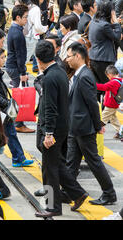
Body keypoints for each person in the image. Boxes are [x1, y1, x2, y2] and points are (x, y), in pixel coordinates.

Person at [33, 41, 89, 218]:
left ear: (38, 59)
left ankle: (52, 207)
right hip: (63, 126)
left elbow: (50, 108)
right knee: (56, 163)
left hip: (53, 129)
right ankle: (78, 193)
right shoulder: (60, 72)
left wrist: (48, 133)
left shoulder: (49, 78)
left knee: (50, 169)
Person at [65, 42, 117, 206]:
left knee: (93, 161)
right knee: (71, 162)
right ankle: (68, 191)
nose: (67, 59)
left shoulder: (85, 76)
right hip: (75, 127)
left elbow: (92, 104)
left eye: (69, 56)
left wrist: (98, 125)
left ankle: (109, 193)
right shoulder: (79, 74)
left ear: (77, 56)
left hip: (84, 127)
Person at [0, 49, 34, 167]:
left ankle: (18, 157)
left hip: (2, 107)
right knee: (10, 132)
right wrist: (6, 104)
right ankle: (18, 157)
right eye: (2, 57)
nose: (4, 60)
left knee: (10, 132)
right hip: (1, 107)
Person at [6, 4, 34, 134]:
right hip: (16, 68)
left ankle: (15, 120)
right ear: (18, 17)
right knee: (19, 96)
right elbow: (20, 55)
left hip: (12, 66)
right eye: (25, 17)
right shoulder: (18, 33)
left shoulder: (13, 29)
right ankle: (18, 122)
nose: (26, 20)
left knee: (17, 94)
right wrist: (23, 72)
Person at [88, 0, 122, 89]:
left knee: (99, 86)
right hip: (104, 59)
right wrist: (116, 23)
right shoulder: (104, 25)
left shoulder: (94, 21)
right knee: (108, 86)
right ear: (110, 11)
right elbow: (117, 37)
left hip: (94, 57)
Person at [96, 65, 123, 138]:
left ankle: (95, 132)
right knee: (113, 119)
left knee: (103, 118)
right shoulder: (119, 80)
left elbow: (103, 87)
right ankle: (120, 131)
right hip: (114, 104)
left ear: (109, 74)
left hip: (110, 105)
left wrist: (92, 84)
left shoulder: (113, 82)